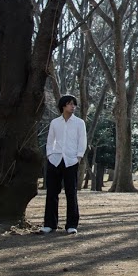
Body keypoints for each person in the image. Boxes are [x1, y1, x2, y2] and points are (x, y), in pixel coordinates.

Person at [40, 94, 87, 235]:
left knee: (71, 193)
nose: (73, 106)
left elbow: (82, 140)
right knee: (52, 193)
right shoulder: (55, 122)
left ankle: (71, 225)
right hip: (55, 160)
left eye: (74, 104)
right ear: (63, 106)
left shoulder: (79, 123)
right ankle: (49, 224)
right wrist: (50, 155)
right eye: (70, 103)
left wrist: (78, 157)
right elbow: (50, 140)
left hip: (71, 161)